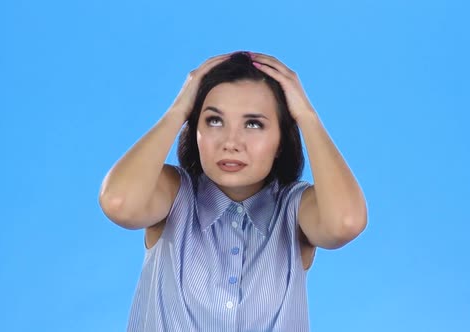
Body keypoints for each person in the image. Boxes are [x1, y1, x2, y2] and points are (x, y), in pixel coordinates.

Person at [98, 51, 367, 331]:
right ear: (195, 129)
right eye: (214, 120)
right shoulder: (173, 192)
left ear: (281, 141)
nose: (231, 142)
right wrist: (178, 110)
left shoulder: (295, 208)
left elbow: (345, 223)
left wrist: (307, 116)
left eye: (253, 124)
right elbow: (119, 203)